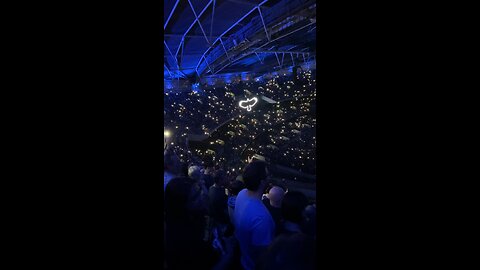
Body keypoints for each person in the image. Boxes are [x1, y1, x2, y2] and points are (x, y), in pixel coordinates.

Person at [164, 177, 216, 270]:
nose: (201, 198)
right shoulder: (182, 242)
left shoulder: (192, 215)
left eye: (199, 193)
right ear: (181, 206)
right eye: (194, 198)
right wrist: (229, 255)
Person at [234, 161, 275, 270]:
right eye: (268, 175)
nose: (270, 177)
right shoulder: (262, 218)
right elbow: (262, 256)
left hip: (243, 259)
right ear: (262, 182)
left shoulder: (241, 193)